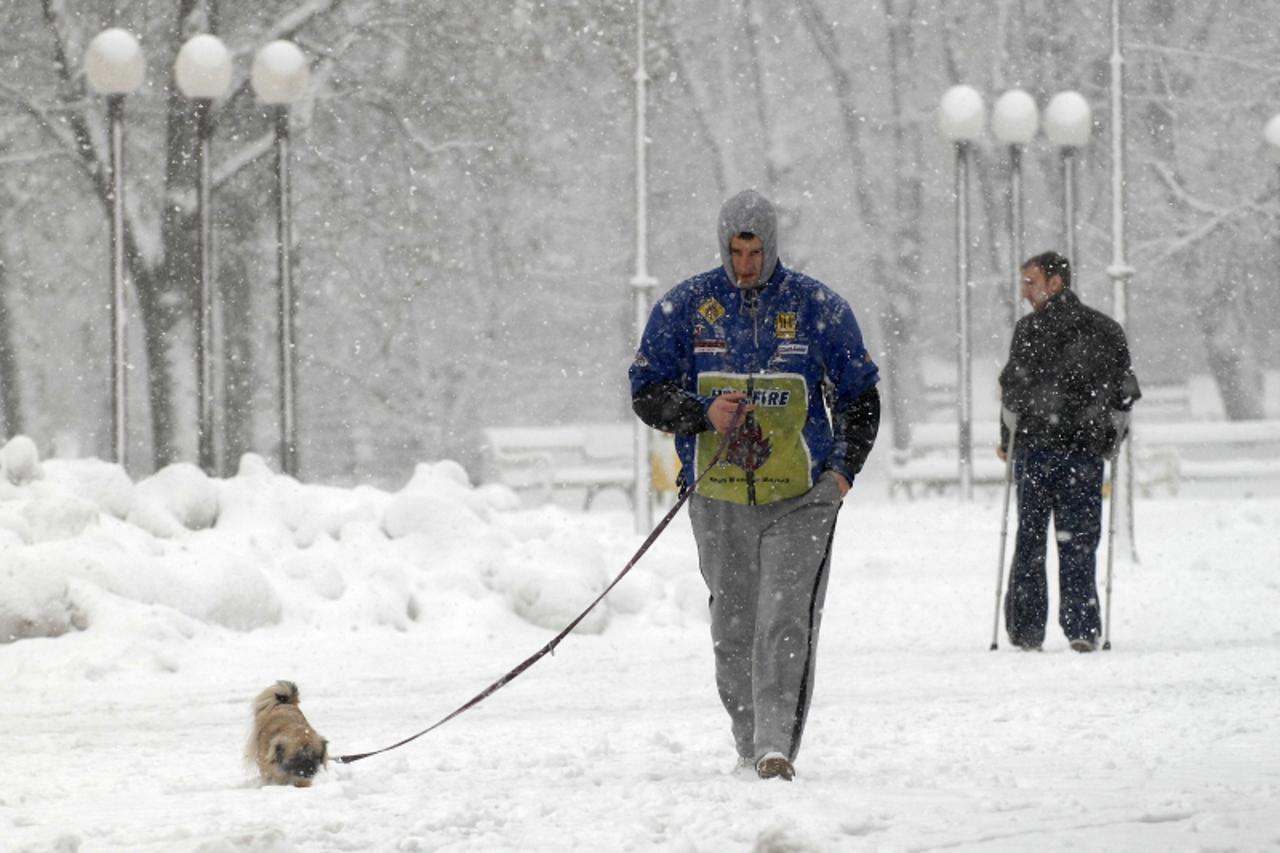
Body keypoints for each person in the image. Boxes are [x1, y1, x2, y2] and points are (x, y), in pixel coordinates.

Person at [629, 190, 880, 780]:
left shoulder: (818, 307)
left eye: (756, 251)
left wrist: (841, 472)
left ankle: (775, 746)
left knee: (785, 617)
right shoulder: (685, 307)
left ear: (773, 246)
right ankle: (747, 740)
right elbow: (645, 389)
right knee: (734, 625)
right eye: (736, 251)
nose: (745, 264)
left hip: (801, 499)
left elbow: (860, 398)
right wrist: (700, 413)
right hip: (717, 499)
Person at [997, 251, 1141, 653]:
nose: (1025, 291)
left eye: (1030, 282)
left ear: (1055, 283)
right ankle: (1081, 626)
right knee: (1079, 540)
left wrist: (1008, 442)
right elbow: (1124, 394)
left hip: (1036, 451)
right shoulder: (1106, 330)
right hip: (1083, 454)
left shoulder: (1028, 331)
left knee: (1029, 539)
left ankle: (1027, 630)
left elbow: (1012, 392)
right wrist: (1110, 441)